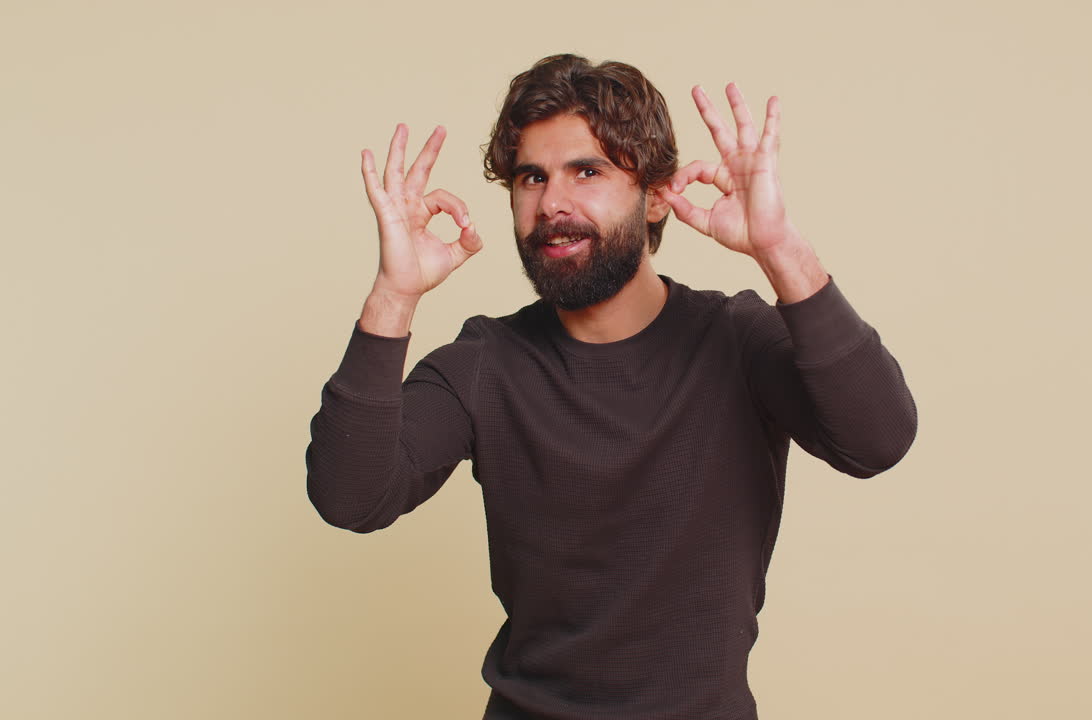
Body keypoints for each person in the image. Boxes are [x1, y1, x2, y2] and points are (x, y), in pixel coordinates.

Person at [306, 53, 917, 720]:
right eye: (531, 178)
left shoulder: (736, 339)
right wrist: (394, 295)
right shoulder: (487, 361)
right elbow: (349, 497)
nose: (553, 204)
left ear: (656, 194)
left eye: (586, 172)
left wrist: (779, 248)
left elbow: (877, 439)